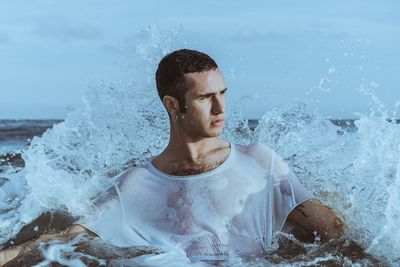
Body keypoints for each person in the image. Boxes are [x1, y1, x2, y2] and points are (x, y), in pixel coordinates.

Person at [0, 49, 344, 265]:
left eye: (223, 93)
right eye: (207, 97)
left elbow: (336, 235)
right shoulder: (135, 186)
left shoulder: (260, 162)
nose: (221, 107)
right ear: (172, 105)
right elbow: (63, 242)